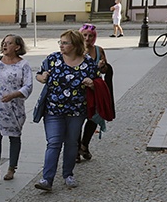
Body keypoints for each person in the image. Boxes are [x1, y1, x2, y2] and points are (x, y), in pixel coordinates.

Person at [34, 30, 99, 192]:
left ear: (76, 45)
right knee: (54, 142)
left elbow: (98, 81)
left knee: (71, 143)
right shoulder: (53, 59)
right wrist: (42, 77)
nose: (61, 46)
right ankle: (46, 179)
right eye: (60, 42)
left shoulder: (88, 62)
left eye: (65, 43)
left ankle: (68, 174)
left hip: (77, 111)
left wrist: (91, 82)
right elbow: (39, 74)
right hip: (53, 110)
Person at [0, 34, 33, 182]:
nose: (5, 46)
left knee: (14, 137)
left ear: (17, 47)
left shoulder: (23, 65)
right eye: (4, 43)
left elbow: (28, 86)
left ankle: (12, 168)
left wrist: (14, 95)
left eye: (9, 43)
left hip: (14, 108)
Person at [77, 24, 111, 162]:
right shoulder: (76, 50)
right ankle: (75, 149)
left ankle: (84, 145)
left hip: (94, 90)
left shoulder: (99, 50)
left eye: (91, 36)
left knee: (94, 118)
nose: (87, 38)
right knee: (77, 121)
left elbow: (105, 70)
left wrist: (103, 66)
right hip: (79, 91)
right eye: (85, 35)